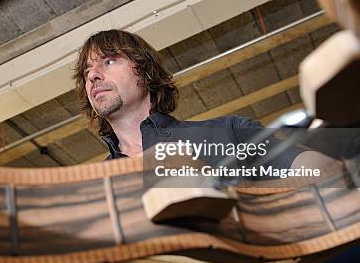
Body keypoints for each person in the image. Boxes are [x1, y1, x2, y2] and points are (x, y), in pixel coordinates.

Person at [72, 29, 333, 172]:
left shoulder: (228, 133)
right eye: (87, 71)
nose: (93, 75)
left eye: (108, 61)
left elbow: (318, 171)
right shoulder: (93, 184)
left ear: (145, 71)